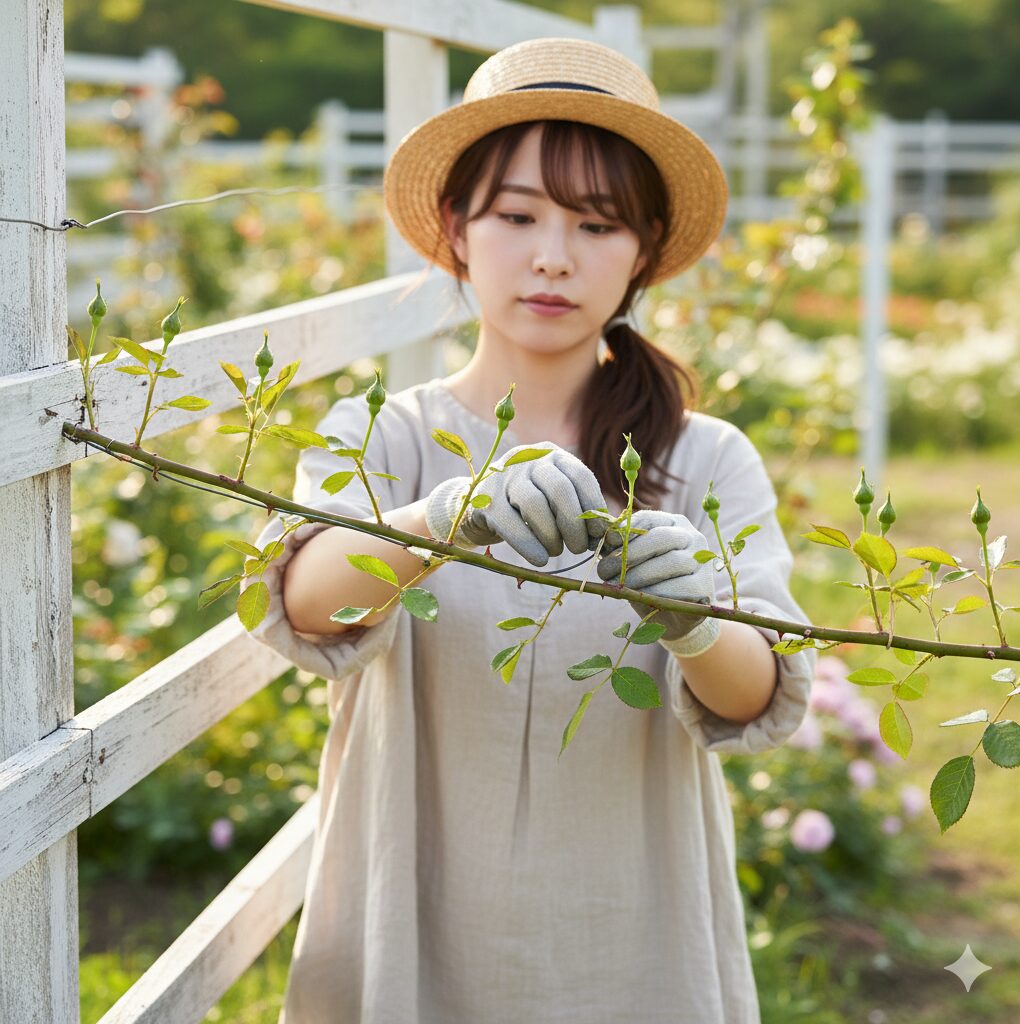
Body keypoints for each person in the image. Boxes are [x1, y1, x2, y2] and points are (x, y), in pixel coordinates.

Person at [244, 36, 816, 1024]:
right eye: (517, 216)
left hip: (629, 921)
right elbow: (305, 605)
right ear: (455, 227)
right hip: (417, 904)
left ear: (643, 251)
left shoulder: (704, 458)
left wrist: (693, 621)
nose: (553, 255)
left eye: (597, 224)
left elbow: (757, 696)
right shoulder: (384, 434)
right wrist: (437, 519)